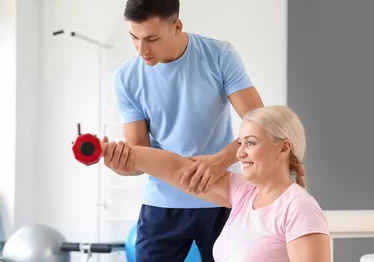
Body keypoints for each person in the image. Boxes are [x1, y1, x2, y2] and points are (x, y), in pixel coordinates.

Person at [107, 0, 264, 261]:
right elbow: (140, 155)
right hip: (162, 204)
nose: (141, 50)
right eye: (134, 37)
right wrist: (122, 164)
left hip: (222, 198)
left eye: (152, 39)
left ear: (177, 26)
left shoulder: (219, 55)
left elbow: (261, 125)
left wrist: (219, 161)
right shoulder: (126, 78)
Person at [101, 105, 331, 261]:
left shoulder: (299, 208)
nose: (240, 154)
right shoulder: (244, 193)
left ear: (283, 147)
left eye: (250, 143)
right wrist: (114, 152)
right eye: (240, 144)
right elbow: (176, 168)